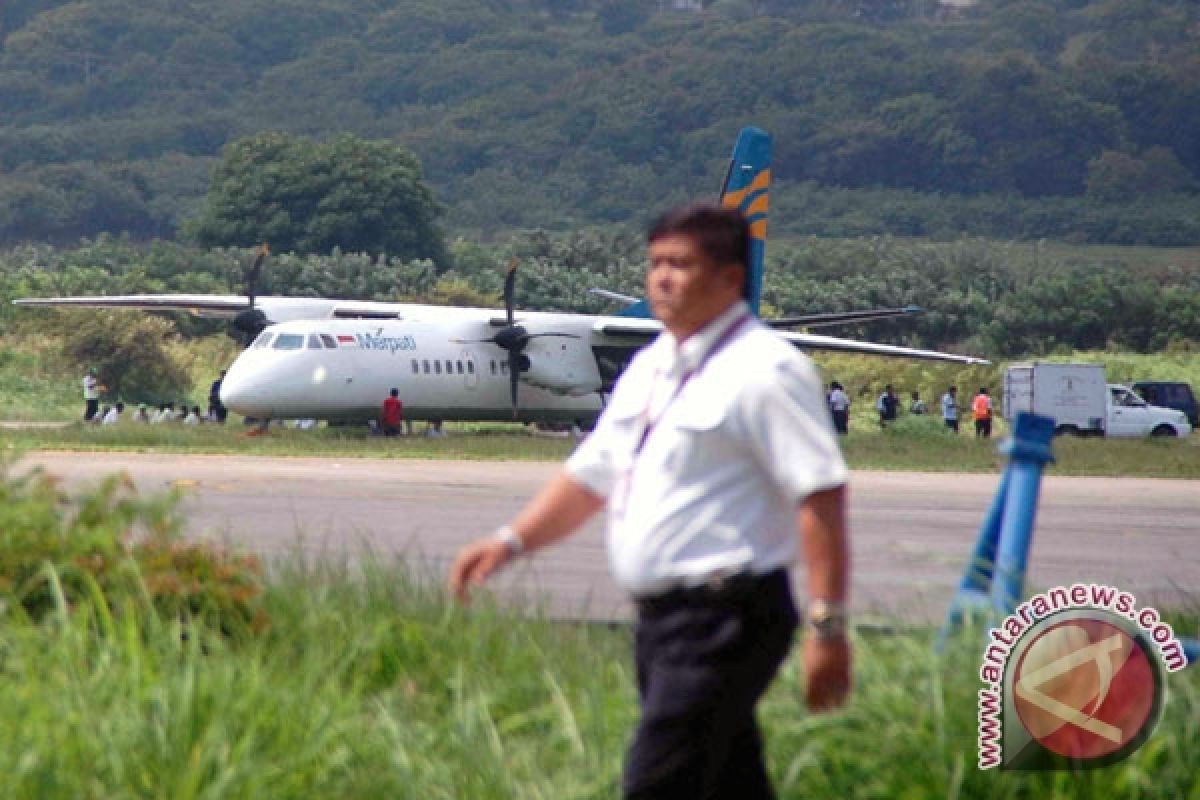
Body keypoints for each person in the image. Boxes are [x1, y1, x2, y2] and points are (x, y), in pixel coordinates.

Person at [449, 204, 850, 800]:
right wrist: (511, 541)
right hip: (664, 622)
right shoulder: (653, 367)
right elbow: (591, 475)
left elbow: (820, 495)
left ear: (730, 279)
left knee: (657, 783)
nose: (661, 277)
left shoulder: (767, 370)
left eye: (680, 264)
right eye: (655, 263)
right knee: (725, 783)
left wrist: (827, 625)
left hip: (726, 618)